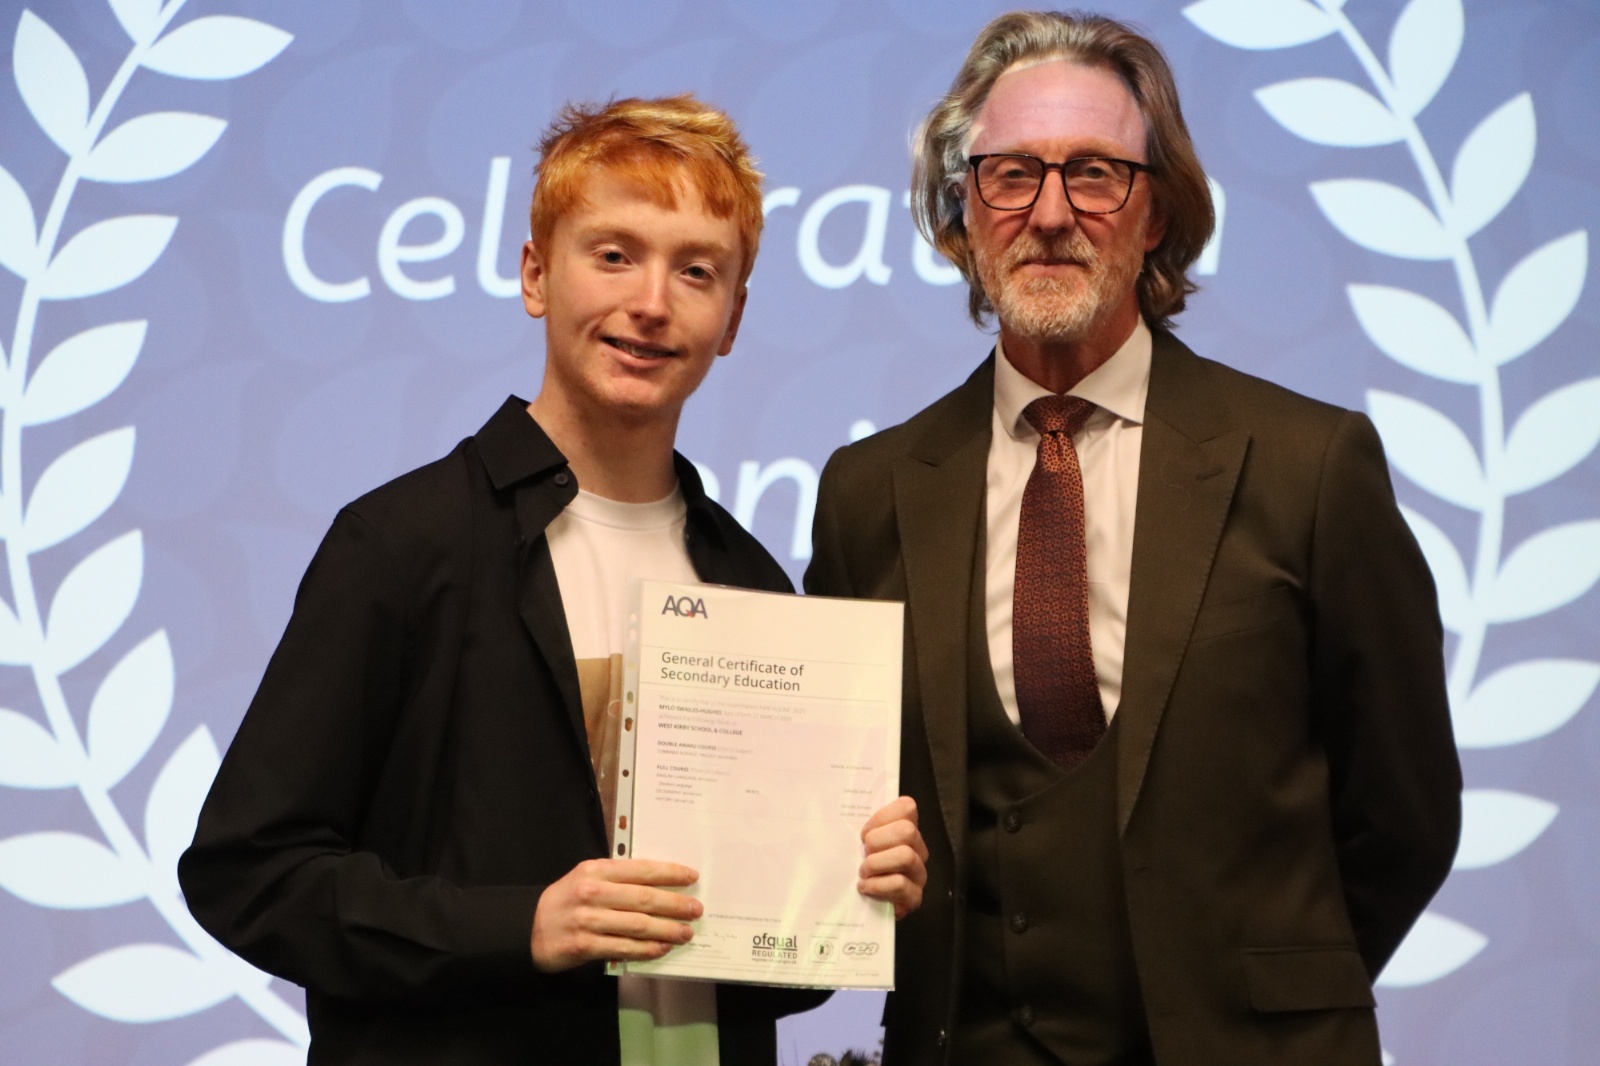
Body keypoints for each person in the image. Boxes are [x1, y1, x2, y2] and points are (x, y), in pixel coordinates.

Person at [180, 94, 928, 1066]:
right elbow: (249, 874)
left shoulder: (748, 582)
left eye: (696, 271)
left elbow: (771, 969)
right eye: (613, 255)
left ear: (733, 318)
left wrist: (848, 893)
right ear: (536, 274)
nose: (651, 302)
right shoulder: (403, 544)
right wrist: (521, 925)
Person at [804, 13, 1461, 1066]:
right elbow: (831, 807)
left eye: (1095, 174)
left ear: (1156, 211)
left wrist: (1268, 995)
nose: (1049, 213)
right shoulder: (867, 493)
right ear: (964, 210)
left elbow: (1404, 814)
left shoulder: (1310, 464)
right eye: (1011, 175)